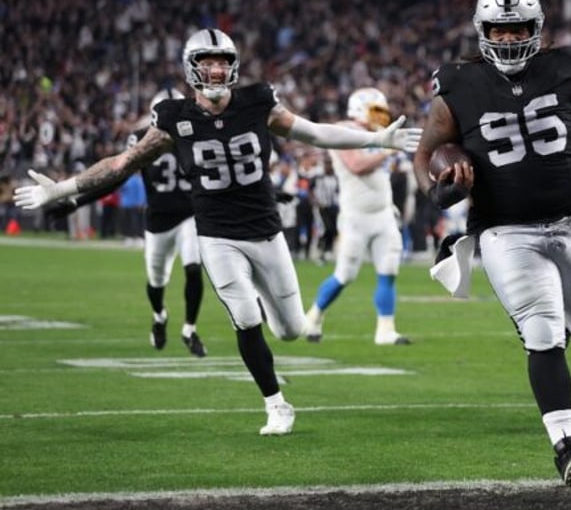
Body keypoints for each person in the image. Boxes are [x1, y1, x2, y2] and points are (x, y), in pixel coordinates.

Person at [14, 28, 421, 436]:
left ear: (234, 65)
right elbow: (122, 164)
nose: (216, 69)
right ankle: (276, 405)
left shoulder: (257, 102)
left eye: (223, 61)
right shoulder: (173, 118)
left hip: (265, 231)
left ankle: (263, 299)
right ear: (192, 67)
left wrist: (376, 139)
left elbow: (313, 132)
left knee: (291, 329)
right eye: (207, 61)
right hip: (216, 234)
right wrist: (62, 189)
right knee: (245, 319)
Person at [412, 0, 571, 497]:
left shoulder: (564, 68)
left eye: (519, 28)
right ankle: (566, 446)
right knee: (542, 333)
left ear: (537, 29)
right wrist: (442, 187)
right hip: (504, 231)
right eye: (501, 28)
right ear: (483, 31)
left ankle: (549, 323)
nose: (511, 38)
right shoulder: (457, 86)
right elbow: (427, 156)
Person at [45, 89, 208, 358]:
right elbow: (117, 176)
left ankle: (189, 329)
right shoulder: (143, 139)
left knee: (193, 268)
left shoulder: (194, 134)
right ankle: (159, 316)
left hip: (188, 217)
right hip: (157, 221)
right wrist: (76, 202)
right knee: (157, 282)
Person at [303, 88, 411, 346]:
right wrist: (387, 149)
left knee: (388, 271)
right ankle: (314, 316)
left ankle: (385, 330)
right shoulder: (342, 130)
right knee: (345, 275)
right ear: (359, 109)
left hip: (383, 213)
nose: (381, 117)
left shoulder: (378, 134)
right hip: (355, 217)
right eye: (376, 110)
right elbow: (356, 165)